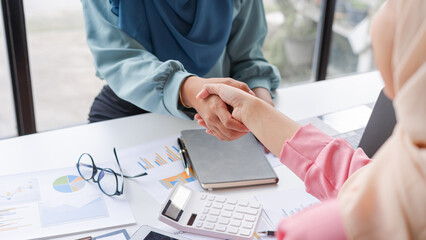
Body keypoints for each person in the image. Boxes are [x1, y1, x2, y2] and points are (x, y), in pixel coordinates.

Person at [195, 0, 426, 238]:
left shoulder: (329, 228)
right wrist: (251, 110)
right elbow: (356, 176)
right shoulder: (409, 165)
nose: (377, 17)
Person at [81, 0, 280, 141]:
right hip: (131, 112)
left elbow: (247, 55)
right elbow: (120, 59)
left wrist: (262, 104)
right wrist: (190, 90)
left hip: (221, 116)